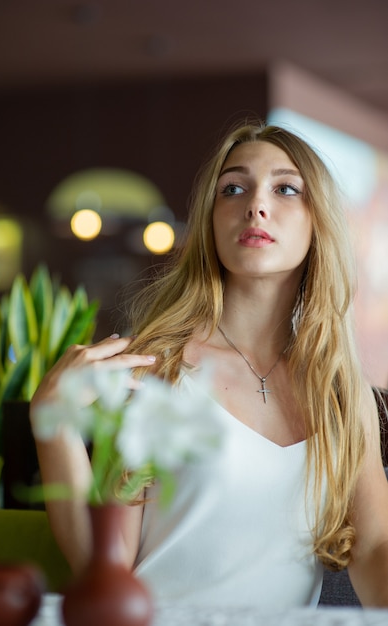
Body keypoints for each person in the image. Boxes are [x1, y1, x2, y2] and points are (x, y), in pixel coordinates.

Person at [31, 122, 388, 608]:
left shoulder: (341, 392)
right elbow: (103, 565)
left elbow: (372, 548)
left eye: (285, 188)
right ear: (211, 222)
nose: (255, 205)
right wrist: (52, 423)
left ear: (318, 221)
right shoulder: (158, 371)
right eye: (233, 189)